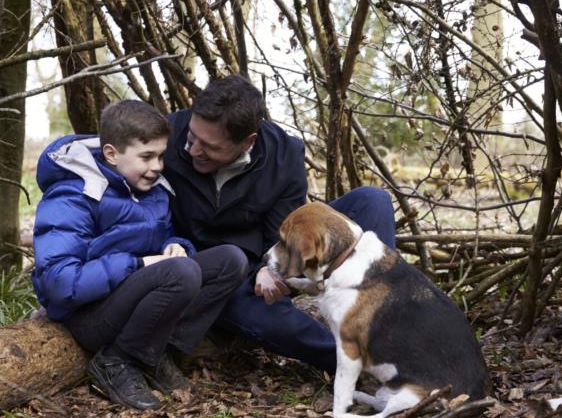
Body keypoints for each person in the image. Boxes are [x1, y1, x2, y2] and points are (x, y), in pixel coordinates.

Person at [163, 75, 396, 374]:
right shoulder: (167, 135)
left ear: (248, 141)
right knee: (257, 315)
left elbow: (285, 226)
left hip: (268, 257)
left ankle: (383, 327)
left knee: (372, 201)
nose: (192, 150)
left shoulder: (284, 153)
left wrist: (270, 267)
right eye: (192, 137)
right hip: (214, 274)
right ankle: (352, 362)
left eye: (208, 146)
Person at [32, 100, 246, 410]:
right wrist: (139, 264)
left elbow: (163, 238)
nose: (158, 166)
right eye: (147, 157)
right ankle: (115, 360)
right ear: (111, 154)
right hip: (86, 315)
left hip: (136, 298)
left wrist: (176, 247)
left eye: (160, 155)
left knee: (231, 261)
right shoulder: (71, 195)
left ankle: (155, 353)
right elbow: (59, 282)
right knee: (181, 273)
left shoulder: (152, 187)